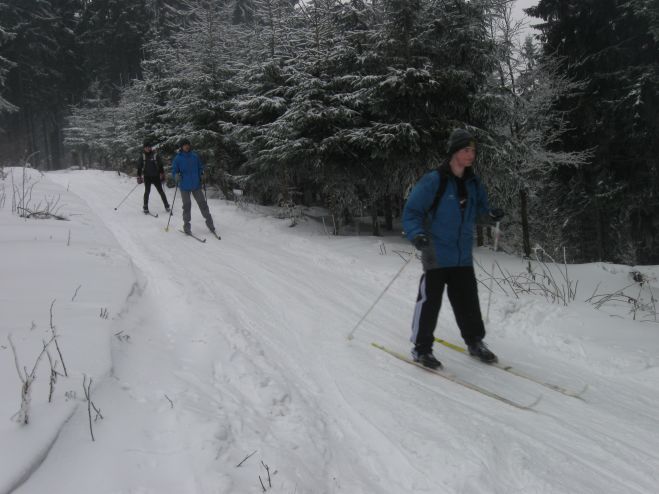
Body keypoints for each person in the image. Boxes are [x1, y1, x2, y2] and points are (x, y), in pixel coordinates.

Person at [402, 128, 504, 368]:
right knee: (430, 302)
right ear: (454, 152)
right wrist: (417, 235)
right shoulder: (434, 181)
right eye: (466, 150)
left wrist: (490, 215)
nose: (471, 155)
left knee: (468, 299)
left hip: (462, 254)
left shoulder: (473, 183)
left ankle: (475, 342)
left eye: (473, 151)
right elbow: (412, 212)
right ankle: (421, 348)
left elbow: (480, 210)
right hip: (436, 251)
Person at [171, 138, 216, 235]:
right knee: (187, 206)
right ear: (181, 147)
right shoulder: (178, 158)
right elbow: (174, 170)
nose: (187, 146)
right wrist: (176, 175)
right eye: (184, 145)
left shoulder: (195, 157)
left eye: (188, 145)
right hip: (184, 186)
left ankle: (210, 225)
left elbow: (200, 167)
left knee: (203, 204)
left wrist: (202, 173)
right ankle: (186, 227)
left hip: (196, 185)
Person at [137, 140, 170, 213]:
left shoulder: (155, 155)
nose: (148, 148)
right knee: (147, 191)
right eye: (146, 147)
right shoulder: (142, 156)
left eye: (149, 147)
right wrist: (139, 176)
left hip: (156, 176)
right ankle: (145, 206)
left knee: (161, 191)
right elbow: (139, 167)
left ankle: (166, 205)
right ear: (144, 148)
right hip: (147, 177)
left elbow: (160, 165)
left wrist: (162, 175)